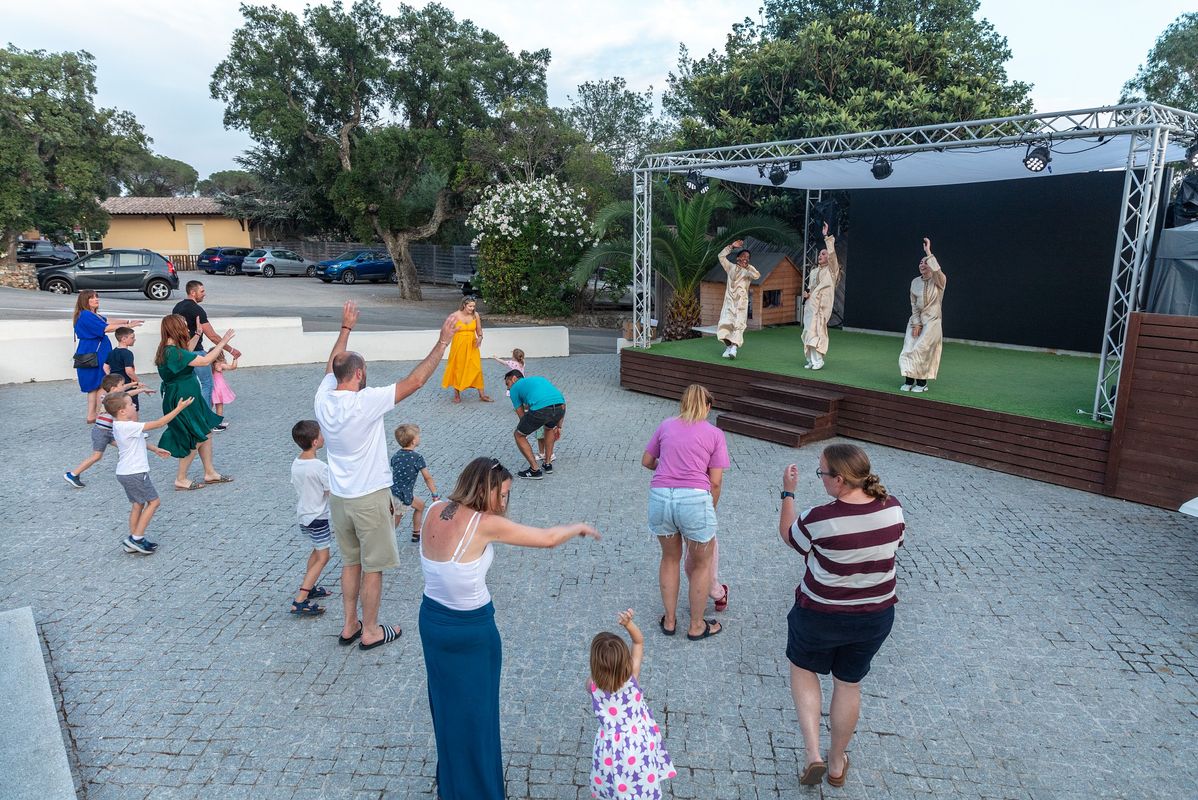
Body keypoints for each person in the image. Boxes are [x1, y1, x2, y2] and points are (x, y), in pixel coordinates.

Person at [417, 457, 600, 800]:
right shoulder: (484, 523)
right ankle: (477, 791)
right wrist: (577, 527)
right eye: (500, 494)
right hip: (471, 631)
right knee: (478, 715)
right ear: (482, 489)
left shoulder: (433, 509)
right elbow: (547, 539)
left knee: (446, 706)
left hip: (432, 622)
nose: (503, 503)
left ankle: (452, 780)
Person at [315, 301, 459, 651]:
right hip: (369, 499)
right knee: (373, 567)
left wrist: (345, 328)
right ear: (359, 374)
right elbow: (416, 380)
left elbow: (332, 365)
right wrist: (443, 341)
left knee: (351, 563)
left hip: (340, 499)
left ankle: (349, 625)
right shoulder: (366, 402)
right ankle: (370, 631)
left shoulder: (323, 398)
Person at [778, 444, 905, 788]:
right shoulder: (893, 508)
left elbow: (790, 536)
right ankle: (836, 762)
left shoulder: (819, 518)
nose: (820, 478)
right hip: (875, 616)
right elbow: (895, 545)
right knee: (848, 684)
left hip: (820, 613)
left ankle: (813, 754)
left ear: (839, 480)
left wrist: (788, 493)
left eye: (822, 473)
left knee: (803, 669)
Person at [641, 384, 729, 640]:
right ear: (708, 407)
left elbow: (647, 461)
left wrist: (666, 468)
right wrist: (709, 509)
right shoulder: (715, 434)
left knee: (670, 559)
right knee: (701, 565)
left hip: (660, 498)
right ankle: (696, 625)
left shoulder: (666, 425)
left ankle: (669, 621)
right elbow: (715, 482)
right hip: (694, 500)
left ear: (683, 403)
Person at [589, 609, 675, 799]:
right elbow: (638, 641)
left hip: (610, 747)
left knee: (613, 780)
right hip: (639, 742)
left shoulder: (592, 685)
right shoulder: (632, 678)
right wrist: (628, 624)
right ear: (625, 660)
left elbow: (595, 679)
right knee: (641, 778)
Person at [154, 314, 236, 491]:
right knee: (196, 435)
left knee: (205, 431)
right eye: (184, 325)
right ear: (176, 328)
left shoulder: (169, 349)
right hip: (183, 398)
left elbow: (187, 354)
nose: (187, 328)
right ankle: (181, 478)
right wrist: (223, 342)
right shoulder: (173, 352)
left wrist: (198, 334)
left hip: (186, 395)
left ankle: (210, 473)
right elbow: (205, 361)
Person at [108, 391, 194, 554]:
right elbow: (160, 423)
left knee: (138, 504)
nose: (134, 405)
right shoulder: (128, 426)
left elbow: (137, 441)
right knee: (154, 502)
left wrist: (154, 449)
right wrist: (179, 408)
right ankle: (136, 538)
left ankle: (134, 538)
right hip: (136, 472)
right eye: (131, 404)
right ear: (122, 411)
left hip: (125, 472)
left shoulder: (120, 425)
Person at [65, 373, 152, 488]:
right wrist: (142, 390)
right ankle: (73, 474)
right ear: (114, 388)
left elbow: (124, 390)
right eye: (122, 384)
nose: (124, 386)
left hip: (109, 432)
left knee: (127, 444)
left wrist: (134, 384)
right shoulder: (109, 399)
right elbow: (127, 394)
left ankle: (128, 466)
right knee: (97, 456)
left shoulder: (110, 395)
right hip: (101, 432)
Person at [71, 289, 143, 423]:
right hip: (95, 352)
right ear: (85, 300)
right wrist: (127, 325)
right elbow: (106, 328)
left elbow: (107, 321)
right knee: (102, 384)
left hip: (90, 351)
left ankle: (92, 415)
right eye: (92, 298)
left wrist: (127, 322)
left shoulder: (89, 314)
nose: (96, 299)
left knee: (93, 386)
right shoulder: (86, 315)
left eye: (96, 297)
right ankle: (100, 414)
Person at [172, 280, 242, 410]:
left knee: (189, 386)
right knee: (207, 384)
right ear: (193, 292)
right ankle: (205, 416)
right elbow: (213, 336)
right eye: (202, 291)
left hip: (180, 352)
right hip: (196, 352)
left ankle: (190, 414)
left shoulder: (177, 307)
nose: (204, 294)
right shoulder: (197, 310)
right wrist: (231, 350)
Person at [290, 420, 332, 617]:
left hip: (304, 515)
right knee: (324, 556)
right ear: (315, 442)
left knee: (317, 550)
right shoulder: (319, 467)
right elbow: (330, 490)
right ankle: (300, 600)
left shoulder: (297, 462)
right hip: (318, 517)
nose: (324, 437)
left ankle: (310, 586)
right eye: (321, 434)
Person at [900, 237, 947, 393]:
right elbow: (913, 304)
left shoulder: (939, 281)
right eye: (921, 262)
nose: (922, 265)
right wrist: (916, 323)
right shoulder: (915, 282)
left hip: (932, 322)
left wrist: (928, 252)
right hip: (916, 321)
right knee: (908, 348)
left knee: (921, 349)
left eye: (926, 263)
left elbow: (938, 271)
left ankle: (922, 383)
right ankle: (908, 380)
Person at [503, 371, 565, 480]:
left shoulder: (514, 388)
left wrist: (527, 428)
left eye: (507, 384)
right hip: (560, 407)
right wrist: (559, 426)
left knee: (519, 435)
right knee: (549, 428)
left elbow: (522, 417)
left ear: (514, 378)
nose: (508, 388)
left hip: (541, 408)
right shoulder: (538, 379)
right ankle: (548, 464)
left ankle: (534, 470)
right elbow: (561, 401)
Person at [390, 424, 439, 543]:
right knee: (394, 521)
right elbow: (427, 478)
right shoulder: (417, 458)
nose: (419, 437)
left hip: (393, 491)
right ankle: (385, 541)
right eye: (418, 436)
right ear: (413, 441)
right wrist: (434, 494)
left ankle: (416, 533)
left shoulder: (396, 455)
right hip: (402, 496)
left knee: (420, 505)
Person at [802, 222, 839, 370]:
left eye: (823, 254)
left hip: (822, 307)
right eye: (819, 254)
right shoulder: (813, 272)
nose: (820, 256)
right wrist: (807, 294)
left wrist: (827, 237)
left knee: (818, 331)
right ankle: (811, 359)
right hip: (811, 306)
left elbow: (833, 255)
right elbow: (811, 288)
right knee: (808, 331)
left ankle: (818, 360)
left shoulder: (832, 271)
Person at [441, 296, 492, 404]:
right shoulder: (454, 316)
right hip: (458, 346)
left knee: (477, 368)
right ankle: (457, 394)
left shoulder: (475, 315)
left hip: (472, 345)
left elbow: (479, 329)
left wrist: (480, 337)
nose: (472, 308)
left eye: (473, 306)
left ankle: (482, 394)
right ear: (464, 305)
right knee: (458, 368)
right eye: (470, 306)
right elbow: (447, 330)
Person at [716, 239, 761, 359]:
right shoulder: (730, 267)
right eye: (743, 256)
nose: (746, 259)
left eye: (748, 258)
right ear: (738, 258)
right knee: (723, 326)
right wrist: (731, 246)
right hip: (729, 303)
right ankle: (729, 347)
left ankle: (734, 348)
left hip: (741, 303)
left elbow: (757, 275)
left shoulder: (748, 272)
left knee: (738, 326)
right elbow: (721, 256)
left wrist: (748, 267)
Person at [104, 326, 142, 409]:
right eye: (132, 337)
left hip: (116, 384)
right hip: (127, 383)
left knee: (119, 406)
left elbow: (105, 367)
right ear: (123, 339)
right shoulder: (127, 353)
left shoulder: (111, 352)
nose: (134, 339)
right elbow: (129, 371)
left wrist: (112, 377)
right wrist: (138, 381)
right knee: (132, 406)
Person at [210, 349, 238, 425]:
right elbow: (233, 367)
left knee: (210, 404)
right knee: (219, 405)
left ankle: (207, 420)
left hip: (212, 386)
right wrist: (235, 358)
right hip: (219, 387)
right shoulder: (220, 364)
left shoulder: (210, 364)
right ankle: (218, 423)